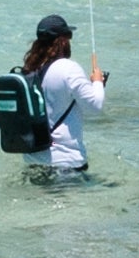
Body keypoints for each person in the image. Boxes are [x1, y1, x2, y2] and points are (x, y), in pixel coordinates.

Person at [20, 12, 105, 178]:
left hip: (33, 161)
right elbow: (96, 106)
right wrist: (97, 82)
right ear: (63, 40)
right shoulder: (68, 68)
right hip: (66, 164)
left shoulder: (30, 70)